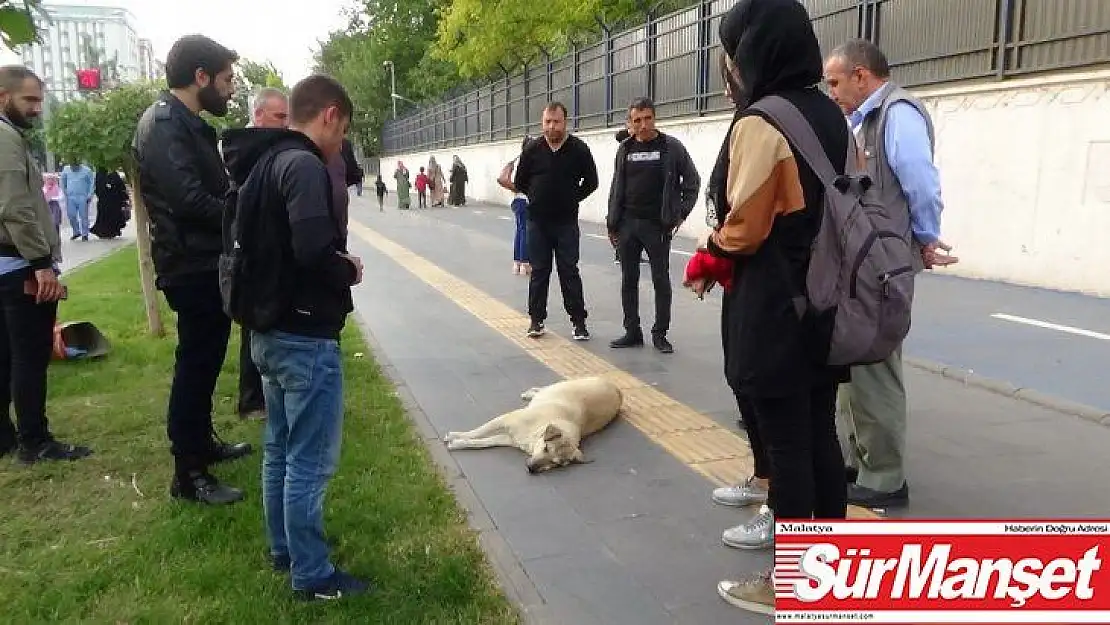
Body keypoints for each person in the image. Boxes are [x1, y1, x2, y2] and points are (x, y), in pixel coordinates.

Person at [704, 0, 850, 614]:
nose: (729, 66)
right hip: (825, 302)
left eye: (733, 52)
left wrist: (709, 249)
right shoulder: (832, 114)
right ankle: (829, 571)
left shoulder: (761, 122)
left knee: (786, 445)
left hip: (774, 306)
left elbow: (746, 226)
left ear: (754, 50)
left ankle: (788, 583)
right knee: (820, 433)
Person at [220, 73, 369, 601]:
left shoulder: (262, 161)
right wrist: (346, 268)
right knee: (309, 458)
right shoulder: (303, 165)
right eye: (343, 128)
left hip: (268, 328)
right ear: (330, 114)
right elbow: (311, 249)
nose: (340, 142)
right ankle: (312, 574)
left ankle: (283, 548)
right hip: (305, 335)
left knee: (280, 448)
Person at [823, 39, 957, 509]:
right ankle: (862, 461)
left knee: (876, 367)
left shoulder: (898, 114)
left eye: (836, 82)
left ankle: (885, 478)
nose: (831, 91)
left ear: (862, 76)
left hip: (883, 268)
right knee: (853, 364)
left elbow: (920, 180)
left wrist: (925, 236)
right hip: (861, 265)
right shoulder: (862, 119)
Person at [132, 34, 252, 505]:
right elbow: (189, 201)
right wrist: (242, 211)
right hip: (190, 265)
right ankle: (189, 473)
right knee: (195, 366)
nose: (230, 90)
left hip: (204, 261)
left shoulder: (187, 122)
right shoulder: (164, 125)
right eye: (225, 80)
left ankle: (202, 444)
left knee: (204, 361)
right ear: (200, 77)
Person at [0, 65, 90, 464]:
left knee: (7, 353)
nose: (37, 108)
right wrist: (40, 262)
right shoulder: (5, 138)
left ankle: (8, 436)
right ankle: (34, 441)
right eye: (29, 100)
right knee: (29, 355)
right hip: (18, 262)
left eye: (40, 99)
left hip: (9, 262)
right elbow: (15, 207)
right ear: (4, 97)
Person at [606, 96, 700, 354]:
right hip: (627, 224)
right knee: (629, 279)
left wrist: (678, 215)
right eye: (637, 120)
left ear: (654, 118)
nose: (643, 125)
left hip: (657, 226)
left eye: (647, 118)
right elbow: (616, 187)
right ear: (630, 123)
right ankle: (632, 331)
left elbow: (692, 183)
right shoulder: (624, 149)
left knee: (661, 280)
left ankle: (660, 334)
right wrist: (612, 222)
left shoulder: (671, 148)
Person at [513, 102, 598, 340]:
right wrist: (538, 197)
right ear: (542, 123)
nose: (552, 127)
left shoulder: (579, 149)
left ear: (565, 122)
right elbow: (520, 182)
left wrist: (572, 198)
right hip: (538, 223)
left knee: (569, 271)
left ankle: (579, 322)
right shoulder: (532, 149)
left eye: (556, 121)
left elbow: (592, 182)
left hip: (566, 224)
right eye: (547, 122)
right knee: (539, 272)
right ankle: (536, 320)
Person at [234, 86, 289, 421]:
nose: (285, 124)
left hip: (268, 247)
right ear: (258, 115)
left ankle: (266, 394)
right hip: (251, 251)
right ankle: (252, 398)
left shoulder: (265, 146)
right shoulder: (245, 150)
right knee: (253, 324)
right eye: (279, 116)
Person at [497, 136, 532, 275]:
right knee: (525, 232)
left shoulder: (517, 162)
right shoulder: (530, 163)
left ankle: (517, 263)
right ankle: (525, 263)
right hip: (526, 200)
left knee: (519, 231)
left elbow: (505, 180)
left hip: (517, 201)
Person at [89, 170, 129, 239]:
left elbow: (120, 186)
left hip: (114, 200)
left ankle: (113, 231)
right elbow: (98, 187)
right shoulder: (100, 175)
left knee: (113, 216)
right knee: (103, 217)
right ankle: (103, 232)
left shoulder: (113, 174)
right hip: (104, 200)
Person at [60, 160, 94, 241]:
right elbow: (63, 181)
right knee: (71, 215)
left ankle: (85, 234)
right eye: (72, 166)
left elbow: (91, 183)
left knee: (84, 216)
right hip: (71, 196)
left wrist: (90, 194)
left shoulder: (87, 171)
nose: (73, 167)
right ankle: (76, 231)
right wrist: (65, 192)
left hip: (83, 196)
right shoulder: (66, 169)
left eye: (75, 166)